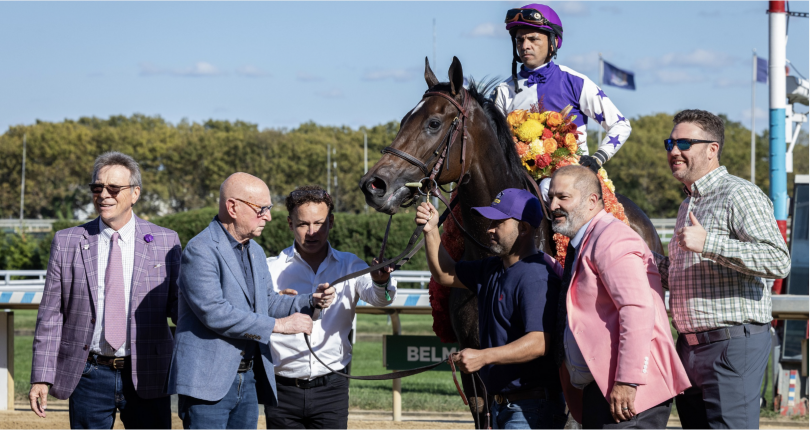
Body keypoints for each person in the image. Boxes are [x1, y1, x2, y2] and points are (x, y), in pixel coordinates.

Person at [167, 173, 336, 429]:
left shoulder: (255, 251)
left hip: (249, 381)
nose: (268, 216)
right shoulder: (199, 249)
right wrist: (279, 326)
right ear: (233, 207)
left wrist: (310, 301)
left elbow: (266, 302)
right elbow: (214, 312)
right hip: (207, 384)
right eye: (262, 209)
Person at [655, 110, 791, 429]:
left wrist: (711, 244)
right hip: (689, 346)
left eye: (684, 142)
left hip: (731, 344)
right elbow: (681, 274)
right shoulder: (687, 203)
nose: (674, 150)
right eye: (670, 143)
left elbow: (778, 261)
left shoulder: (738, 193)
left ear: (711, 149)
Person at [29, 152, 181, 428]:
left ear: (135, 193)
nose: (103, 195)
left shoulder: (166, 241)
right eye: (97, 188)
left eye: (114, 188)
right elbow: (50, 315)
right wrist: (41, 375)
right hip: (88, 374)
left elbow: (179, 306)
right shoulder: (67, 242)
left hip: (147, 372)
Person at [548, 165, 691, 429]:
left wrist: (627, 381)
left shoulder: (611, 238)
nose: (553, 205)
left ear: (592, 200)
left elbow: (636, 309)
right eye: (551, 197)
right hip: (607, 388)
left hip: (628, 393)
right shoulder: (588, 239)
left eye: (563, 197)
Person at [415, 188, 565, 429]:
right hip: (502, 407)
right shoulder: (492, 268)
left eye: (498, 222)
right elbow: (445, 273)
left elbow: (540, 342)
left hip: (530, 410)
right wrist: (431, 230)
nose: (489, 229)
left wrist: (483, 356)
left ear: (524, 228)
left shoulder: (536, 276)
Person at [263, 185, 396, 429]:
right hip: (281, 390)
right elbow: (251, 316)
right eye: (303, 224)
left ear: (331, 222)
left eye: (319, 223)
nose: (311, 232)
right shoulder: (269, 269)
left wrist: (381, 281)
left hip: (332, 389)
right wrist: (275, 303)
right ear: (290, 224)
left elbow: (382, 299)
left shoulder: (350, 265)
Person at [493, 4, 631, 178]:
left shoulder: (575, 81)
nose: (525, 45)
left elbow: (620, 125)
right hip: (519, 179)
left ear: (553, 42)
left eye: (533, 39)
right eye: (520, 40)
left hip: (571, 179)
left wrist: (598, 157)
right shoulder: (504, 90)